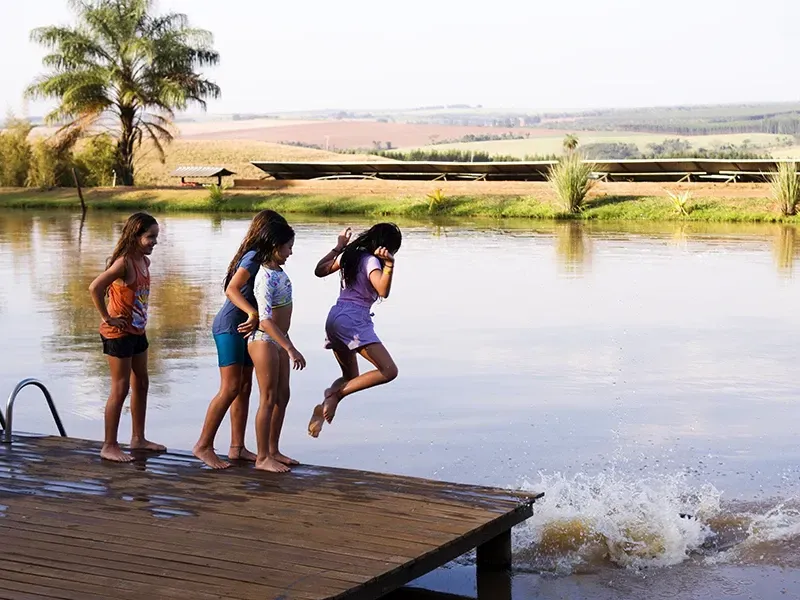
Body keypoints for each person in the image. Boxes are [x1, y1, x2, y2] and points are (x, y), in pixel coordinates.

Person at [193, 210, 288, 469]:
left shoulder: (263, 258)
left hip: (247, 329)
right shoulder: (253, 256)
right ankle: (203, 446)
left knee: (244, 387)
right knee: (230, 387)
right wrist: (252, 313)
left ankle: (237, 447)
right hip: (230, 326)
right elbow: (231, 289)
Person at [309, 223, 402, 438]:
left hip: (335, 318)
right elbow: (382, 290)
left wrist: (339, 247)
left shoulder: (350, 255)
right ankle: (335, 395)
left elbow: (320, 270)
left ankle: (323, 407)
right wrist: (389, 265)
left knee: (351, 377)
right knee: (389, 370)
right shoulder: (371, 261)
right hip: (354, 320)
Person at [88, 212, 165, 462]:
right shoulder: (124, 263)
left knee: (141, 382)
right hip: (118, 333)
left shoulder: (144, 261)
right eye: (150, 237)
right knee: (120, 388)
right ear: (135, 236)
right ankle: (109, 445)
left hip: (137, 331)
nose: (154, 242)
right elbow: (95, 287)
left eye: (156, 236)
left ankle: (138, 439)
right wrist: (107, 317)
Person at [247, 217, 306, 472]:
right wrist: (290, 348)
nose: (290, 252)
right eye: (288, 247)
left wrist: (287, 343)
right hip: (264, 340)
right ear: (274, 246)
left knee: (283, 395)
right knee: (268, 398)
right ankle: (262, 458)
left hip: (280, 339)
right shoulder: (264, 277)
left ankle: (273, 450)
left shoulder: (279, 272)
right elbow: (265, 319)